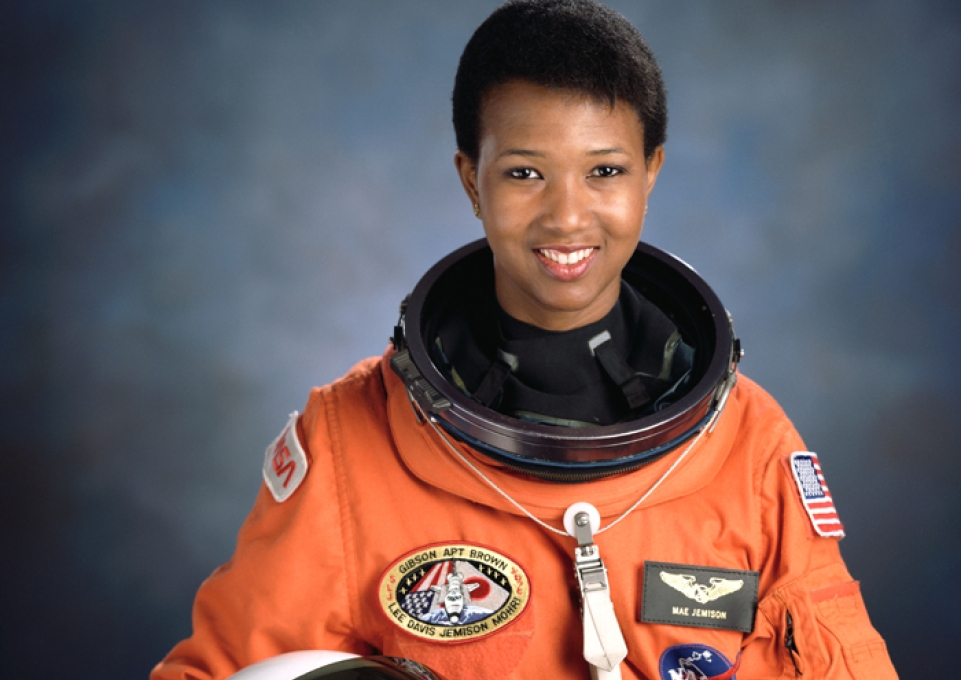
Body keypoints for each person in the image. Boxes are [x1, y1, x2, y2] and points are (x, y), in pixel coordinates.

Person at [152, 1, 898, 679]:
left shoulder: (748, 443)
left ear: (650, 175)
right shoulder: (350, 444)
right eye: (523, 173)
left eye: (604, 171)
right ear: (471, 182)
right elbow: (221, 671)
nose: (567, 218)